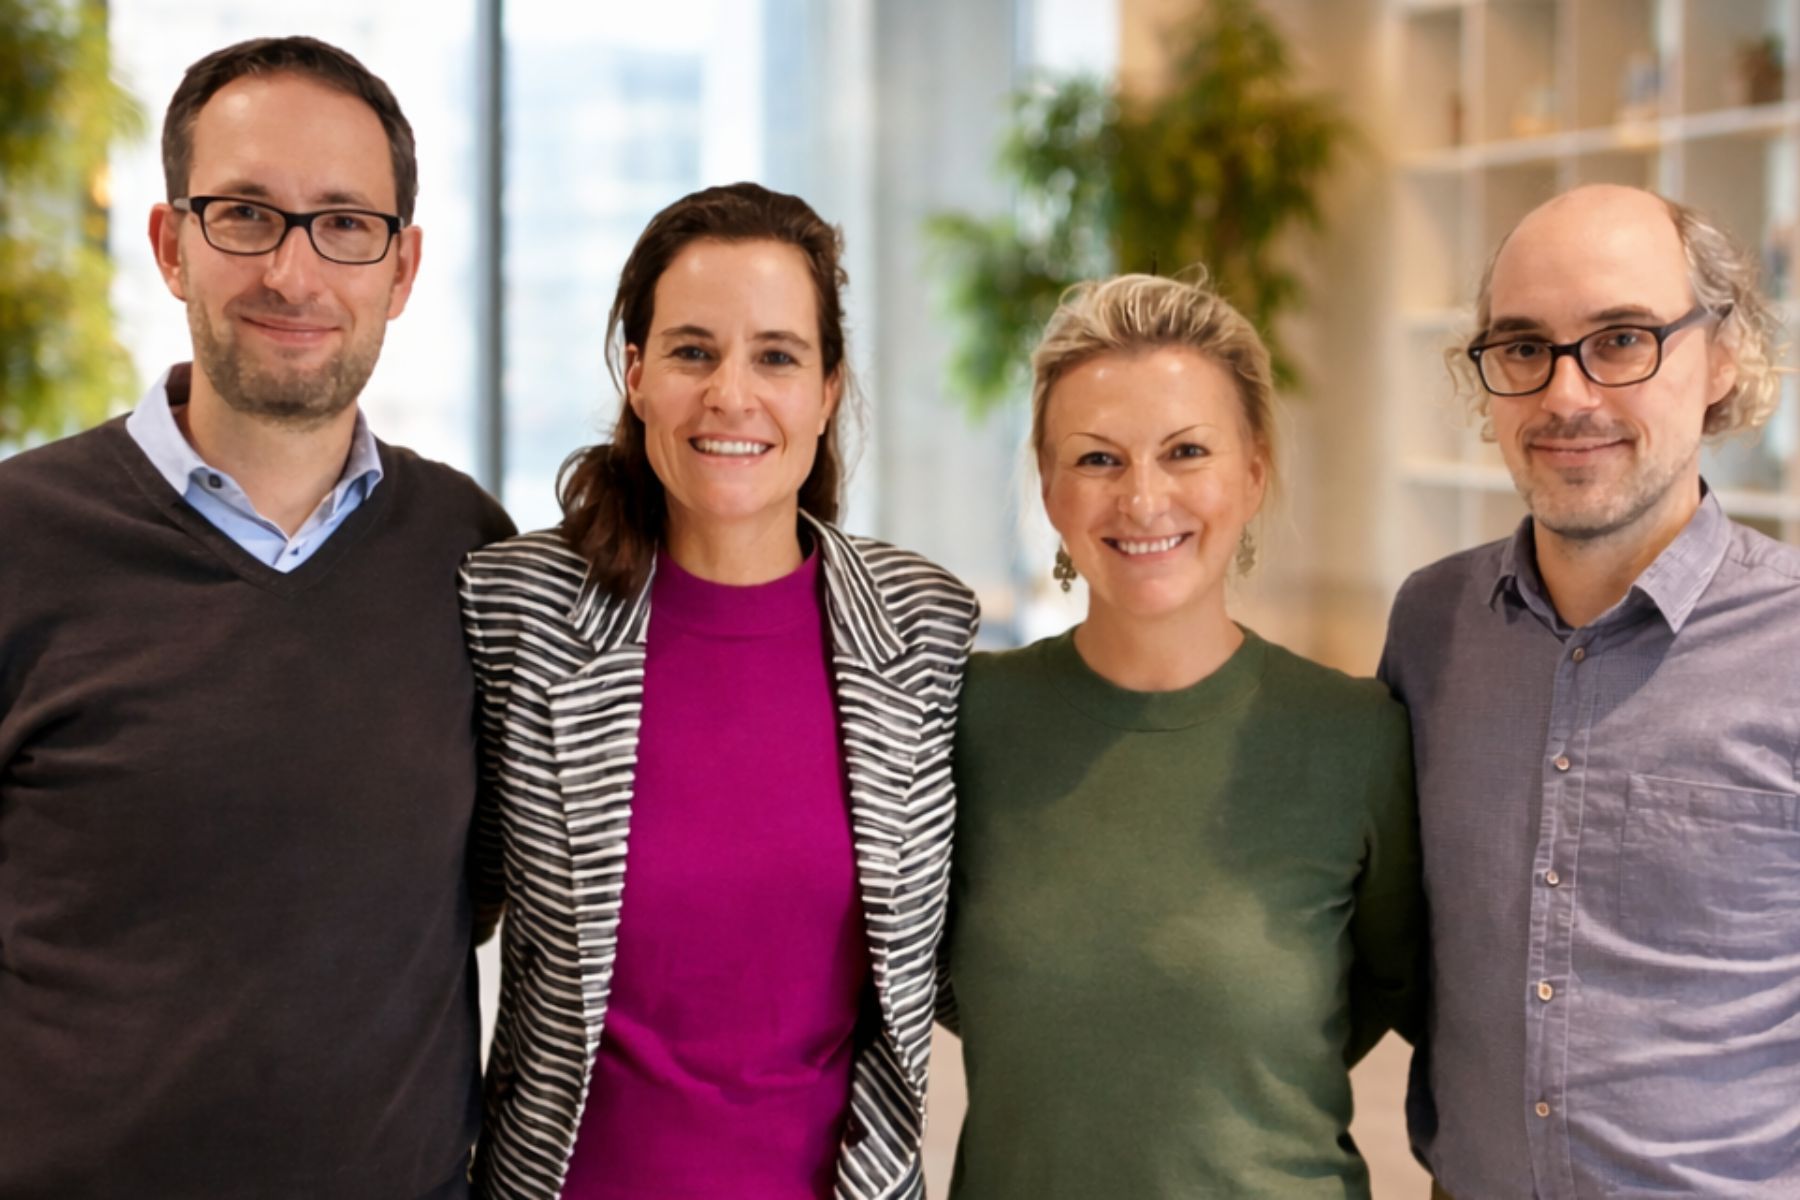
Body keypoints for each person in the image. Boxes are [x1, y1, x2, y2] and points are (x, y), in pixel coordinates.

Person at [0, 36, 513, 1199]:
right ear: (170, 244)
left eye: (345, 223)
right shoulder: (17, 539)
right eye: (244, 215)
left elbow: (479, 884)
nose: (293, 272)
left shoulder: (473, 551)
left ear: (403, 266)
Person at [459, 182, 978, 1200]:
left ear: (827, 392)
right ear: (637, 377)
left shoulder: (925, 628)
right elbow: (435, 905)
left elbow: (978, 952)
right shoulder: (517, 611)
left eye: (777, 356)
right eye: (693, 352)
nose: (732, 395)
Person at [941, 273, 1422, 1198]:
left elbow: (1383, 993)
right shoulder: (969, 720)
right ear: (1048, 486)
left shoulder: (1356, 736)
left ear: (1253, 473)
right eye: (1098, 459)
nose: (1143, 499)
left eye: (1186, 451)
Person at [1381, 183, 1800, 1198]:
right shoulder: (1432, 625)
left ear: (1722, 355)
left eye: (1621, 340)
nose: (1567, 395)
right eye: (1525, 347)